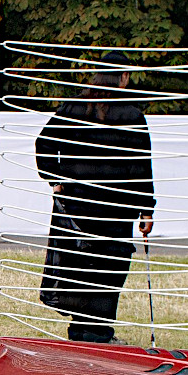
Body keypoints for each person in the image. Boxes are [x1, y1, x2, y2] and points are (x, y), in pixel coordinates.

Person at [35, 51, 155, 343]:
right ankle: (98, 334)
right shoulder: (132, 116)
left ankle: (81, 331)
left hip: (78, 204)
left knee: (80, 266)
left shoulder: (73, 108)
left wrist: (57, 180)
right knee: (108, 269)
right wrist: (146, 209)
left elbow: (43, 143)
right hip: (114, 207)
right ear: (123, 77)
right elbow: (140, 167)